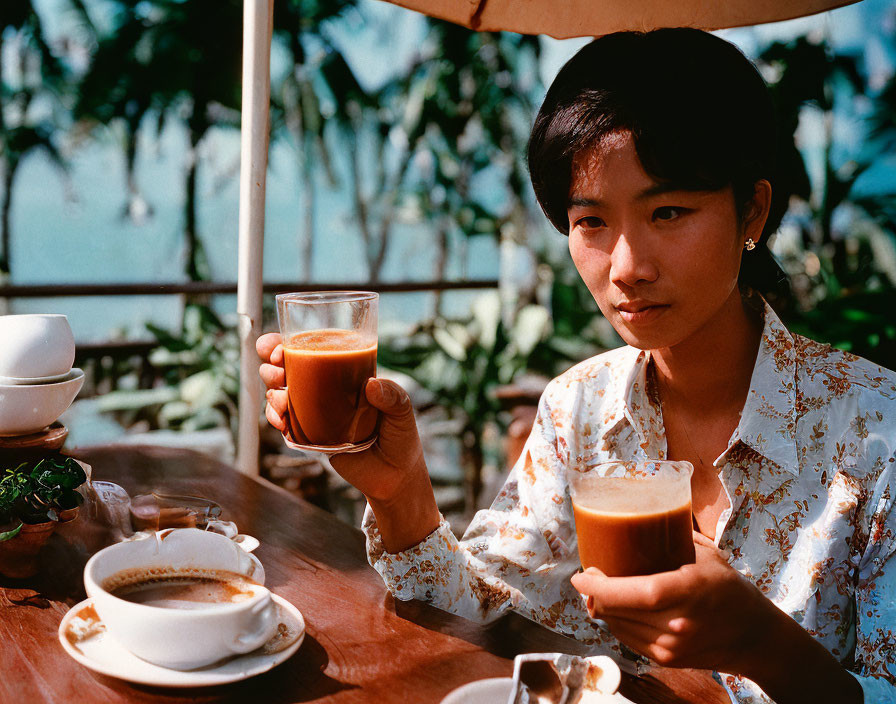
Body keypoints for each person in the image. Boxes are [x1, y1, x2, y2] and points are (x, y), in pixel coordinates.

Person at [257, 28, 895, 704]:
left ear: (752, 210)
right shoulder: (581, 407)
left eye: (669, 211)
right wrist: (401, 493)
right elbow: (492, 615)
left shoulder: (876, 434)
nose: (627, 268)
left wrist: (763, 644)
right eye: (591, 223)